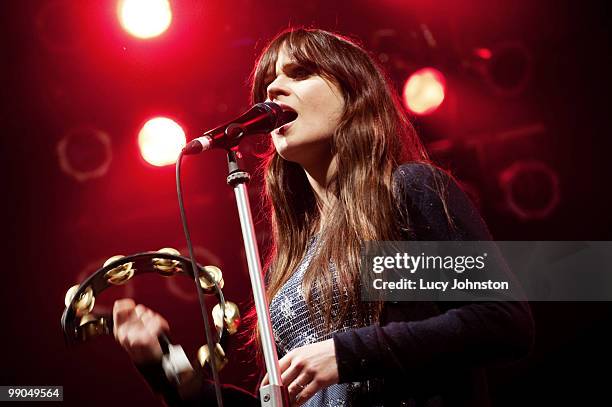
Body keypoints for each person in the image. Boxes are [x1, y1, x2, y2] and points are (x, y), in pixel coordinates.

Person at [113, 28, 534, 406]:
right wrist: (166, 365)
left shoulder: (407, 189)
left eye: (299, 74)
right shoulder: (290, 260)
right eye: (268, 82)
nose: (273, 88)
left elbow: (500, 321)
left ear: (354, 95)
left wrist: (347, 353)